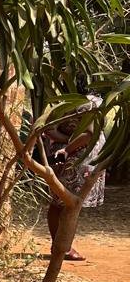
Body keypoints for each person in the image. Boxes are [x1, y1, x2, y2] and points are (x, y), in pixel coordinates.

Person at [47, 97, 107, 261]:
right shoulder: (90, 103)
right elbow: (89, 134)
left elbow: (49, 130)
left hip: (70, 156)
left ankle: (61, 245)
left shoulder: (61, 102)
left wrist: (67, 142)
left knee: (60, 201)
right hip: (77, 158)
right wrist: (68, 148)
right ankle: (63, 247)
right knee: (67, 203)